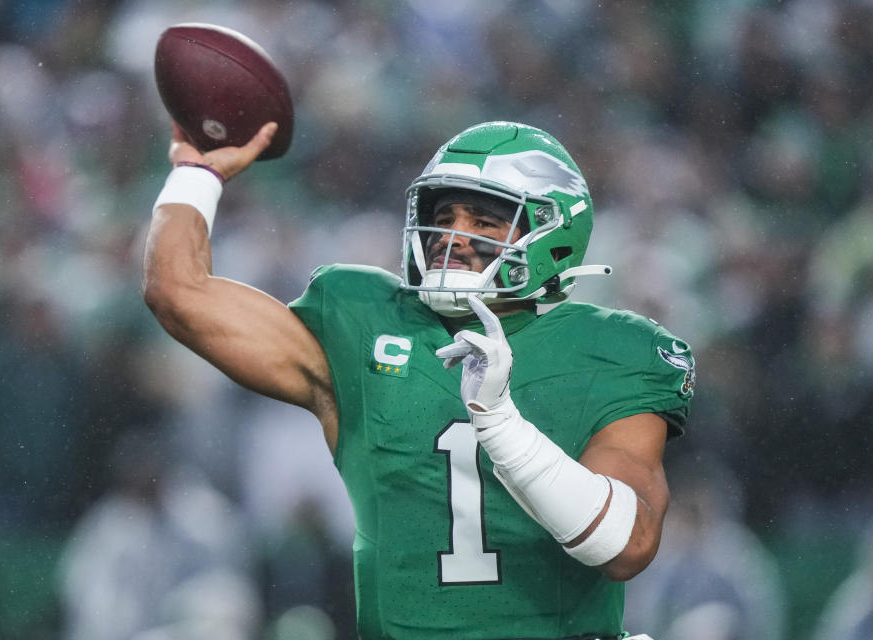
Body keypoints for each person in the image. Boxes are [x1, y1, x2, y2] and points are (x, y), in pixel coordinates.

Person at [143, 119, 695, 639]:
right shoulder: (367, 321)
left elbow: (627, 545)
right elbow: (178, 292)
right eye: (445, 215)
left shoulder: (611, 349)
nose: (451, 235)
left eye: (483, 221)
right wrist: (196, 173)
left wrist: (501, 425)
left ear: (553, 234)